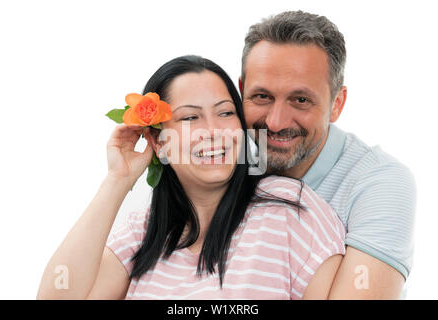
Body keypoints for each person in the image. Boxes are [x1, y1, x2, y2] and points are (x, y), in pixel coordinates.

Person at [36, 55, 345, 300]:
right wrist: (118, 179)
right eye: (189, 117)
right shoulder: (142, 233)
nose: (213, 131)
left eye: (225, 113)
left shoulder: (289, 208)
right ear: (159, 142)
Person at [239, 10, 416, 299]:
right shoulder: (220, 163)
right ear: (241, 91)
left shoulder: (380, 183)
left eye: (300, 100)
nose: (275, 122)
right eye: (262, 96)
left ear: (337, 103)